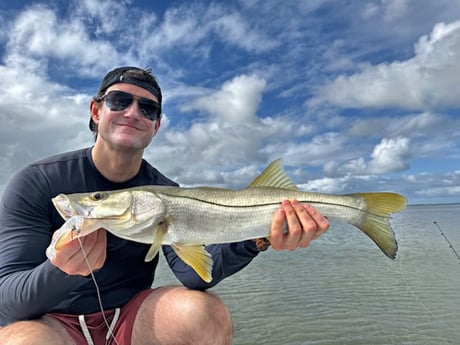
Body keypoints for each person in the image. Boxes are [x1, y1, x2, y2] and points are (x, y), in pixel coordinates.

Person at [0, 66, 329, 345]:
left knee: (205, 314)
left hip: (134, 315)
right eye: (120, 101)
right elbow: (8, 302)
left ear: (156, 126)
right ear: (96, 111)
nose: (133, 113)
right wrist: (60, 271)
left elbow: (193, 273)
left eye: (148, 108)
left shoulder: (166, 192)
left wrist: (259, 237)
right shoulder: (38, 181)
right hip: (53, 324)